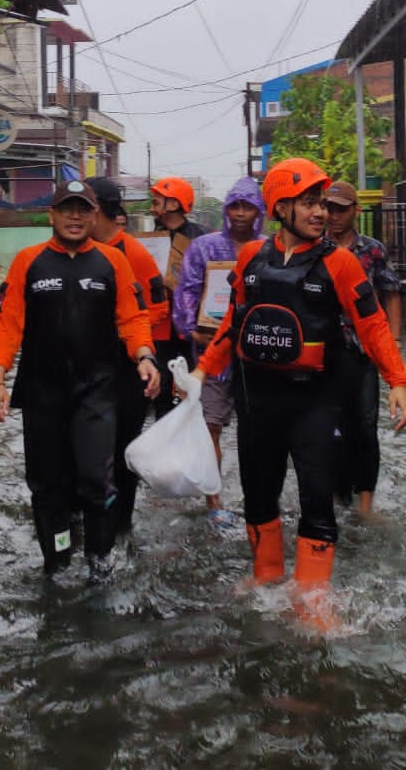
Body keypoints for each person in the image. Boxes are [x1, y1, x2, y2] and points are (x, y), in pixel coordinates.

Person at [196, 158, 406, 627]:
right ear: (280, 205)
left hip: (315, 400)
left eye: (322, 203)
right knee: (258, 491)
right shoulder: (251, 256)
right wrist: (201, 372)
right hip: (257, 400)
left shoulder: (340, 262)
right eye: (309, 203)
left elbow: (372, 325)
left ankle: (313, 593)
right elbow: (232, 324)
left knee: (317, 495)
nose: (320, 212)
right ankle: (266, 573)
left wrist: (399, 381)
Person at [0, 180, 161, 579]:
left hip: (97, 390)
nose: (76, 217)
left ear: (95, 215)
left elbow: (132, 318)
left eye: (84, 209)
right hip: (42, 391)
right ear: (52, 215)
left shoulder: (112, 262)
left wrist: (145, 357)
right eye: (68, 209)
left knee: (97, 479)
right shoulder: (28, 261)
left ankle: (100, 563)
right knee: (47, 486)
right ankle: (58, 562)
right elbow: (8, 325)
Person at [172, 175, 265, 532]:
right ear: (226, 210)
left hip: (258, 355)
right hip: (213, 352)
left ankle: (258, 497)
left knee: (258, 431)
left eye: (248, 207)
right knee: (210, 427)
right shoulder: (205, 248)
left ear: (259, 211)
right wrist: (190, 329)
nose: (240, 214)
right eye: (234, 207)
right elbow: (186, 292)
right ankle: (214, 500)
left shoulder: (269, 248)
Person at [86, 176, 170, 540]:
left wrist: (126, 337)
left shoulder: (133, 254)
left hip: (128, 366)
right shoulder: (74, 252)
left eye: (84, 209)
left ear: (100, 213)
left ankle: (121, 525)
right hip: (87, 370)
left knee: (124, 451)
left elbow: (159, 308)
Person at [321, 180, 402, 517]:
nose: (334, 215)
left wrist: (393, 346)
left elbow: (391, 292)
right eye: (330, 208)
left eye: (341, 208)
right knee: (330, 428)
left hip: (365, 349)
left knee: (365, 426)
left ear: (356, 210)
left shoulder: (372, 250)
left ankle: (365, 502)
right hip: (323, 352)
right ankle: (338, 495)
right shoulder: (314, 247)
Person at [150, 176, 206, 417]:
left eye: (157, 201)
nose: (152, 207)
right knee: (161, 384)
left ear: (172, 204)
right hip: (161, 323)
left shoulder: (200, 239)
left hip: (189, 324)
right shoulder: (153, 237)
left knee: (191, 382)